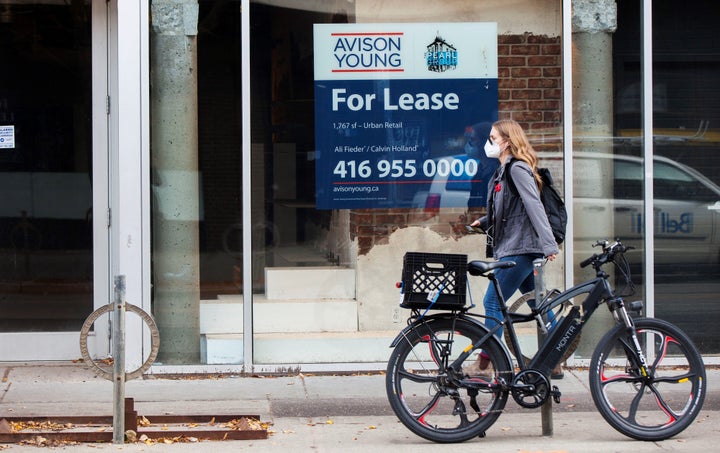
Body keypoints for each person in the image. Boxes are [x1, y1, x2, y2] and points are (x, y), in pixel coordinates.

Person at [464, 119, 561, 379]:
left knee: (492, 302)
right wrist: (484, 222)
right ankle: (557, 354)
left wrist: (549, 243)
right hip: (518, 247)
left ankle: (489, 363)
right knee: (538, 302)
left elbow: (533, 205)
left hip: (521, 248)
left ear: (507, 141)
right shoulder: (503, 171)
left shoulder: (517, 168)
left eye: (493, 138)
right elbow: (510, 208)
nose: (489, 143)